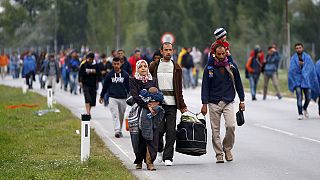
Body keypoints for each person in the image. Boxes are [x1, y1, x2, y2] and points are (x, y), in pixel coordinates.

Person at [201, 44, 245, 163]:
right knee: (215, 130)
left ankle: (227, 148)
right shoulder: (209, 68)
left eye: (223, 54)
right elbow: (205, 86)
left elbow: (239, 83)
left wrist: (242, 100)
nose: (221, 56)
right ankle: (219, 154)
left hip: (228, 100)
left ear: (226, 53)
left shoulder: (231, 66)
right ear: (214, 54)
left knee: (231, 126)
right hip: (213, 102)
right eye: (219, 54)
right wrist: (204, 103)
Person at [149, 42, 188, 166]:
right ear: (161, 51)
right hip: (158, 104)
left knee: (171, 131)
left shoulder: (176, 68)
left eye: (170, 50)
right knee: (159, 130)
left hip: (172, 104)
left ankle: (168, 157)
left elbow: (179, 89)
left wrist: (182, 105)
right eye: (166, 50)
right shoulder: (154, 66)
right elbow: (149, 84)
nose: (168, 52)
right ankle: (159, 149)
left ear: (173, 51)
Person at [129, 60, 164, 170]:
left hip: (153, 112)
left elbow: (159, 94)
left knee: (152, 136)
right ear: (137, 68)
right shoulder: (133, 80)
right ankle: (139, 160)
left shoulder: (153, 80)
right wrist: (146, 106)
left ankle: (150, 161)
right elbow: (135, 96)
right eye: (140, 66)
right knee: (139, 139)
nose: (143, 68)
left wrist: (155, 105)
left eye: (145, 66)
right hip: (138, 111)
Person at [99, 57, 130, 138]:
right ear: (112, 64)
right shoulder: (109, 75)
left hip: (123, 98)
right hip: (112, 98)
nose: (116, 66)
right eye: (115, 64)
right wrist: (102, 96)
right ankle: (117, 130)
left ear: (121, 64)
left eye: (118, 64)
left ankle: (119, 129)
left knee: (121, 115)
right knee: (115, 114)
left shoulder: (125, 75)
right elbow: (105, 86)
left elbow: (129, 87)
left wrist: (131, 96)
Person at [288, 43, 319, 120]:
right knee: (299, 97)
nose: (299, 49)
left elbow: (310, 69)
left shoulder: (308, 57)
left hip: (306, 81)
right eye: (297, 48)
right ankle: (300, 113)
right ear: (295, 49)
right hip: (297, 81)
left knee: (308, 97)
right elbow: (292, 70)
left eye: (300, 48)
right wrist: (299, 67)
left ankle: (304, 108)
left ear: (302, 48)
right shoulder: (293, 59)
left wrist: (303, 66)